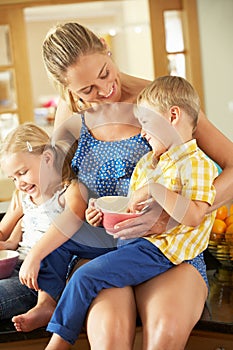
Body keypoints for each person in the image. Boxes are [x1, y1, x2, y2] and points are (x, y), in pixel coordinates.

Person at [13, 22, 233, 350]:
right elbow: (60, 188)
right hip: (98, 250)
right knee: (110, 339)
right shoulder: (70, 115)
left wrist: (177, 212)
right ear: (67, 89)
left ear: (107, 50)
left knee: (165, 336)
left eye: (104, 72)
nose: (103, 90)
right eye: (86, 90)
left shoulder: (163, 100)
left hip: (169, 249)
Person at [44, 75, 219, 349]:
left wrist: (154, 189)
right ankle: (48, 305)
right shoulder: (149, 162)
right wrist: (102, 218)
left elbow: (195, 216)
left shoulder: (196, 164)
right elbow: (132, 210)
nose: (142, 133)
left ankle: (57, 343)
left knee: (84, 276)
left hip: (158, 251)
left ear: (173, 116)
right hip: (131, 245)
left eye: (147, 123)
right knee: (61, 248)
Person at [0, 122, 109, 322]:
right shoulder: (22, 197)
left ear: (48, 158)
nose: (19, 183)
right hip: (19, 265)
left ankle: (45, 305)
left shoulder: (70, 191)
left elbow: (73, 217)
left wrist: (34, 255)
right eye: (13, 178)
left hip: (43, 279)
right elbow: (3, 232)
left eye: (22, 172)